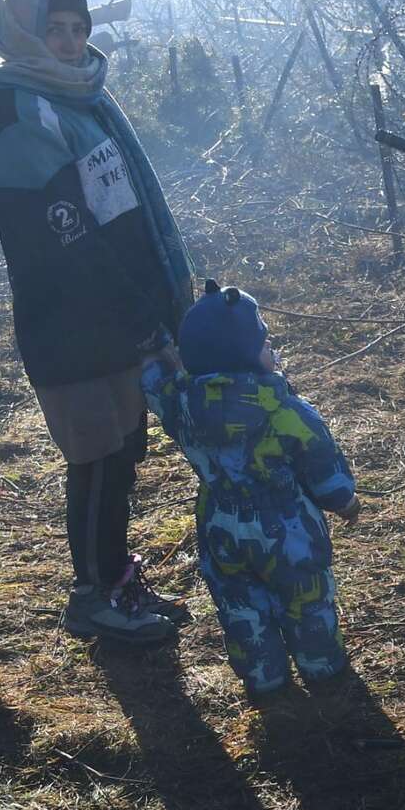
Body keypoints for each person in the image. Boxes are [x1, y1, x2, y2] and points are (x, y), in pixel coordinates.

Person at [0, 0, 195, 646]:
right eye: (54, 31)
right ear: (19, 33)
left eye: (76, 29)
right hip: (71, 324)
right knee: (95, 460)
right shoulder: (15, 116)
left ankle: (117, 576)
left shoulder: (76, 96)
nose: (69, 44)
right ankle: (92, 596)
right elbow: (67, 242)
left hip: (115, 315)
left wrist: (149, 304)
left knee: (123, 451)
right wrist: (139, 315)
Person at [142, 281, 360, 699]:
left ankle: (264, 677)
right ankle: (322, 667)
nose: (271, 344)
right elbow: (322, 463)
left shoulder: (181, 406)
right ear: (244, 353)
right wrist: (344, 500)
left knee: (241, 607)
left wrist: (155, 348)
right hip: (289, 530)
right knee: (306, 599)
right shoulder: (285, 409)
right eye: (263, 339)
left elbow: (154, 384)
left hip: (221, 530)